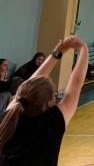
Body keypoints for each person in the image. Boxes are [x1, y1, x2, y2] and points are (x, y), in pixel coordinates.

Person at [0, 36, 88, 165]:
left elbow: (29, 86)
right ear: (48, 103)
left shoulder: (10, 115)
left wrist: (57, 53)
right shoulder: (52, 122)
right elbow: (76, 83)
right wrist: (83, 48)